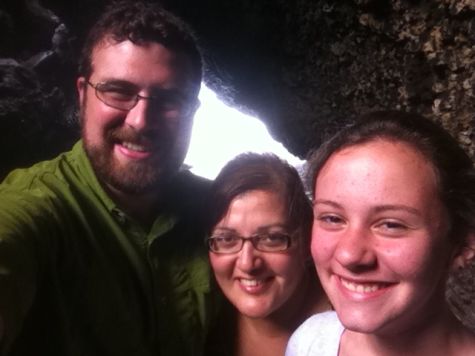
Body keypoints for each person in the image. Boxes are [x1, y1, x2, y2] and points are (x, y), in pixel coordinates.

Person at [0, 1, 214, 355]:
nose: (141, 120)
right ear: (82, 94)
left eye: (171, 99)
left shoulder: (217, 208)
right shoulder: (39, 204)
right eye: (118, 91)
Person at [286, 110, 475, 356]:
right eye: (332, 218)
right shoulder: (310, 342)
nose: (349, 255)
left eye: (391, 225)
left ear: (462, 245)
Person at [204, 152, 330, 356]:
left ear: (307, 241)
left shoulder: (350, 328)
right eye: (227, 239)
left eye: (271, 238)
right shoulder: (204, 325)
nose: (247, 264)